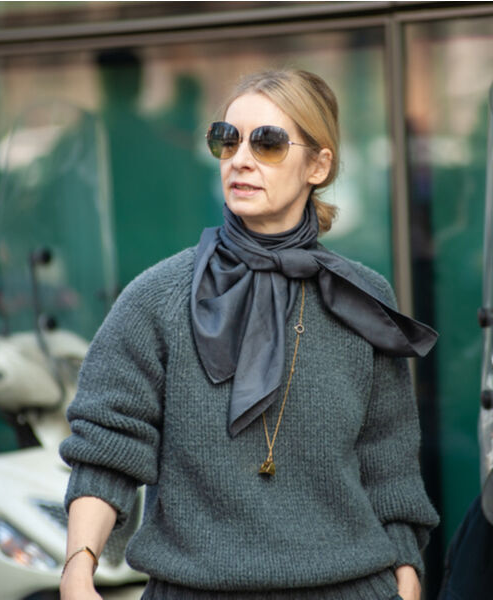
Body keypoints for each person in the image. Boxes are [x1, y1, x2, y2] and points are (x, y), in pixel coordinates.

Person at [59, 68, 439, 600]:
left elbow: (389, 461)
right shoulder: (156, 298)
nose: (240, 159)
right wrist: (78, 569)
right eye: (227, 139)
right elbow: (106, 446)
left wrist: (407, 576)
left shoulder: (363, 297)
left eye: (267, 143)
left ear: (318, 165)